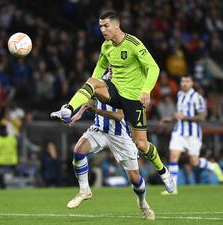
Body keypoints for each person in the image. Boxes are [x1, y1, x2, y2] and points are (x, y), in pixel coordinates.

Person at [51, 11, 174, 193]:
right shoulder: (106, 46)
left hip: (133, 99)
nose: (102, 29)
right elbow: (98, 70)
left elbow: (153, 67)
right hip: (115, 92)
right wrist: (89, 94)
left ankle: (164, 172)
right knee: (92, 82)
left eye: (106, 26)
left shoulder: (133, 44)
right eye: (100, 26)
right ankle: (68, 108)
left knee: (141, 144)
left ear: (117, 25)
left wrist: (146, 90)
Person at [67, 96, 155, 220]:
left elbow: (119, 116)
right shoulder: (100, 79)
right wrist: (80, 113)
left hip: (120, 134)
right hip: (100, 129)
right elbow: (91, 98)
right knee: (79, 150)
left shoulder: (124, 85)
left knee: (135, 178)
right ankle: (84, 191)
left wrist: (96, 111)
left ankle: (143, 203)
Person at [161, 74, 223, 195]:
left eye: (187, 81)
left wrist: (185, 117)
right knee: (173, 156)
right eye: (183, 81)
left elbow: (202, 116)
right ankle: (173, 188)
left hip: (193, 133)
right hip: (178, 131)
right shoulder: (179, 95)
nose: (184, 83)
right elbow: (179, 114)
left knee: (194, 162)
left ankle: (213, 166)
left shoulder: (197, 97)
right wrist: (171, 119)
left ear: (192, 83)